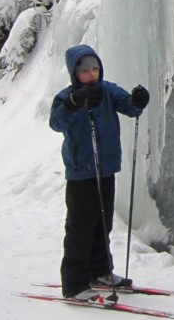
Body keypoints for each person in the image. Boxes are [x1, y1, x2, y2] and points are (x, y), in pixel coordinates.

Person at [49, 43, 150, 301]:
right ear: (75, 73)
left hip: (105, 170)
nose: (92, 74)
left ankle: (100, 271)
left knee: (102, 225)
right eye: (85, 71)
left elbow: (128, 105)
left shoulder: (106, 90)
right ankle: (74, 284)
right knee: (80, 229)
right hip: (81, 174)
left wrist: (138, 100)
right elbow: (56, 122)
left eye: (95, 68)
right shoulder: (67, 97)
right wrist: (74, 103)